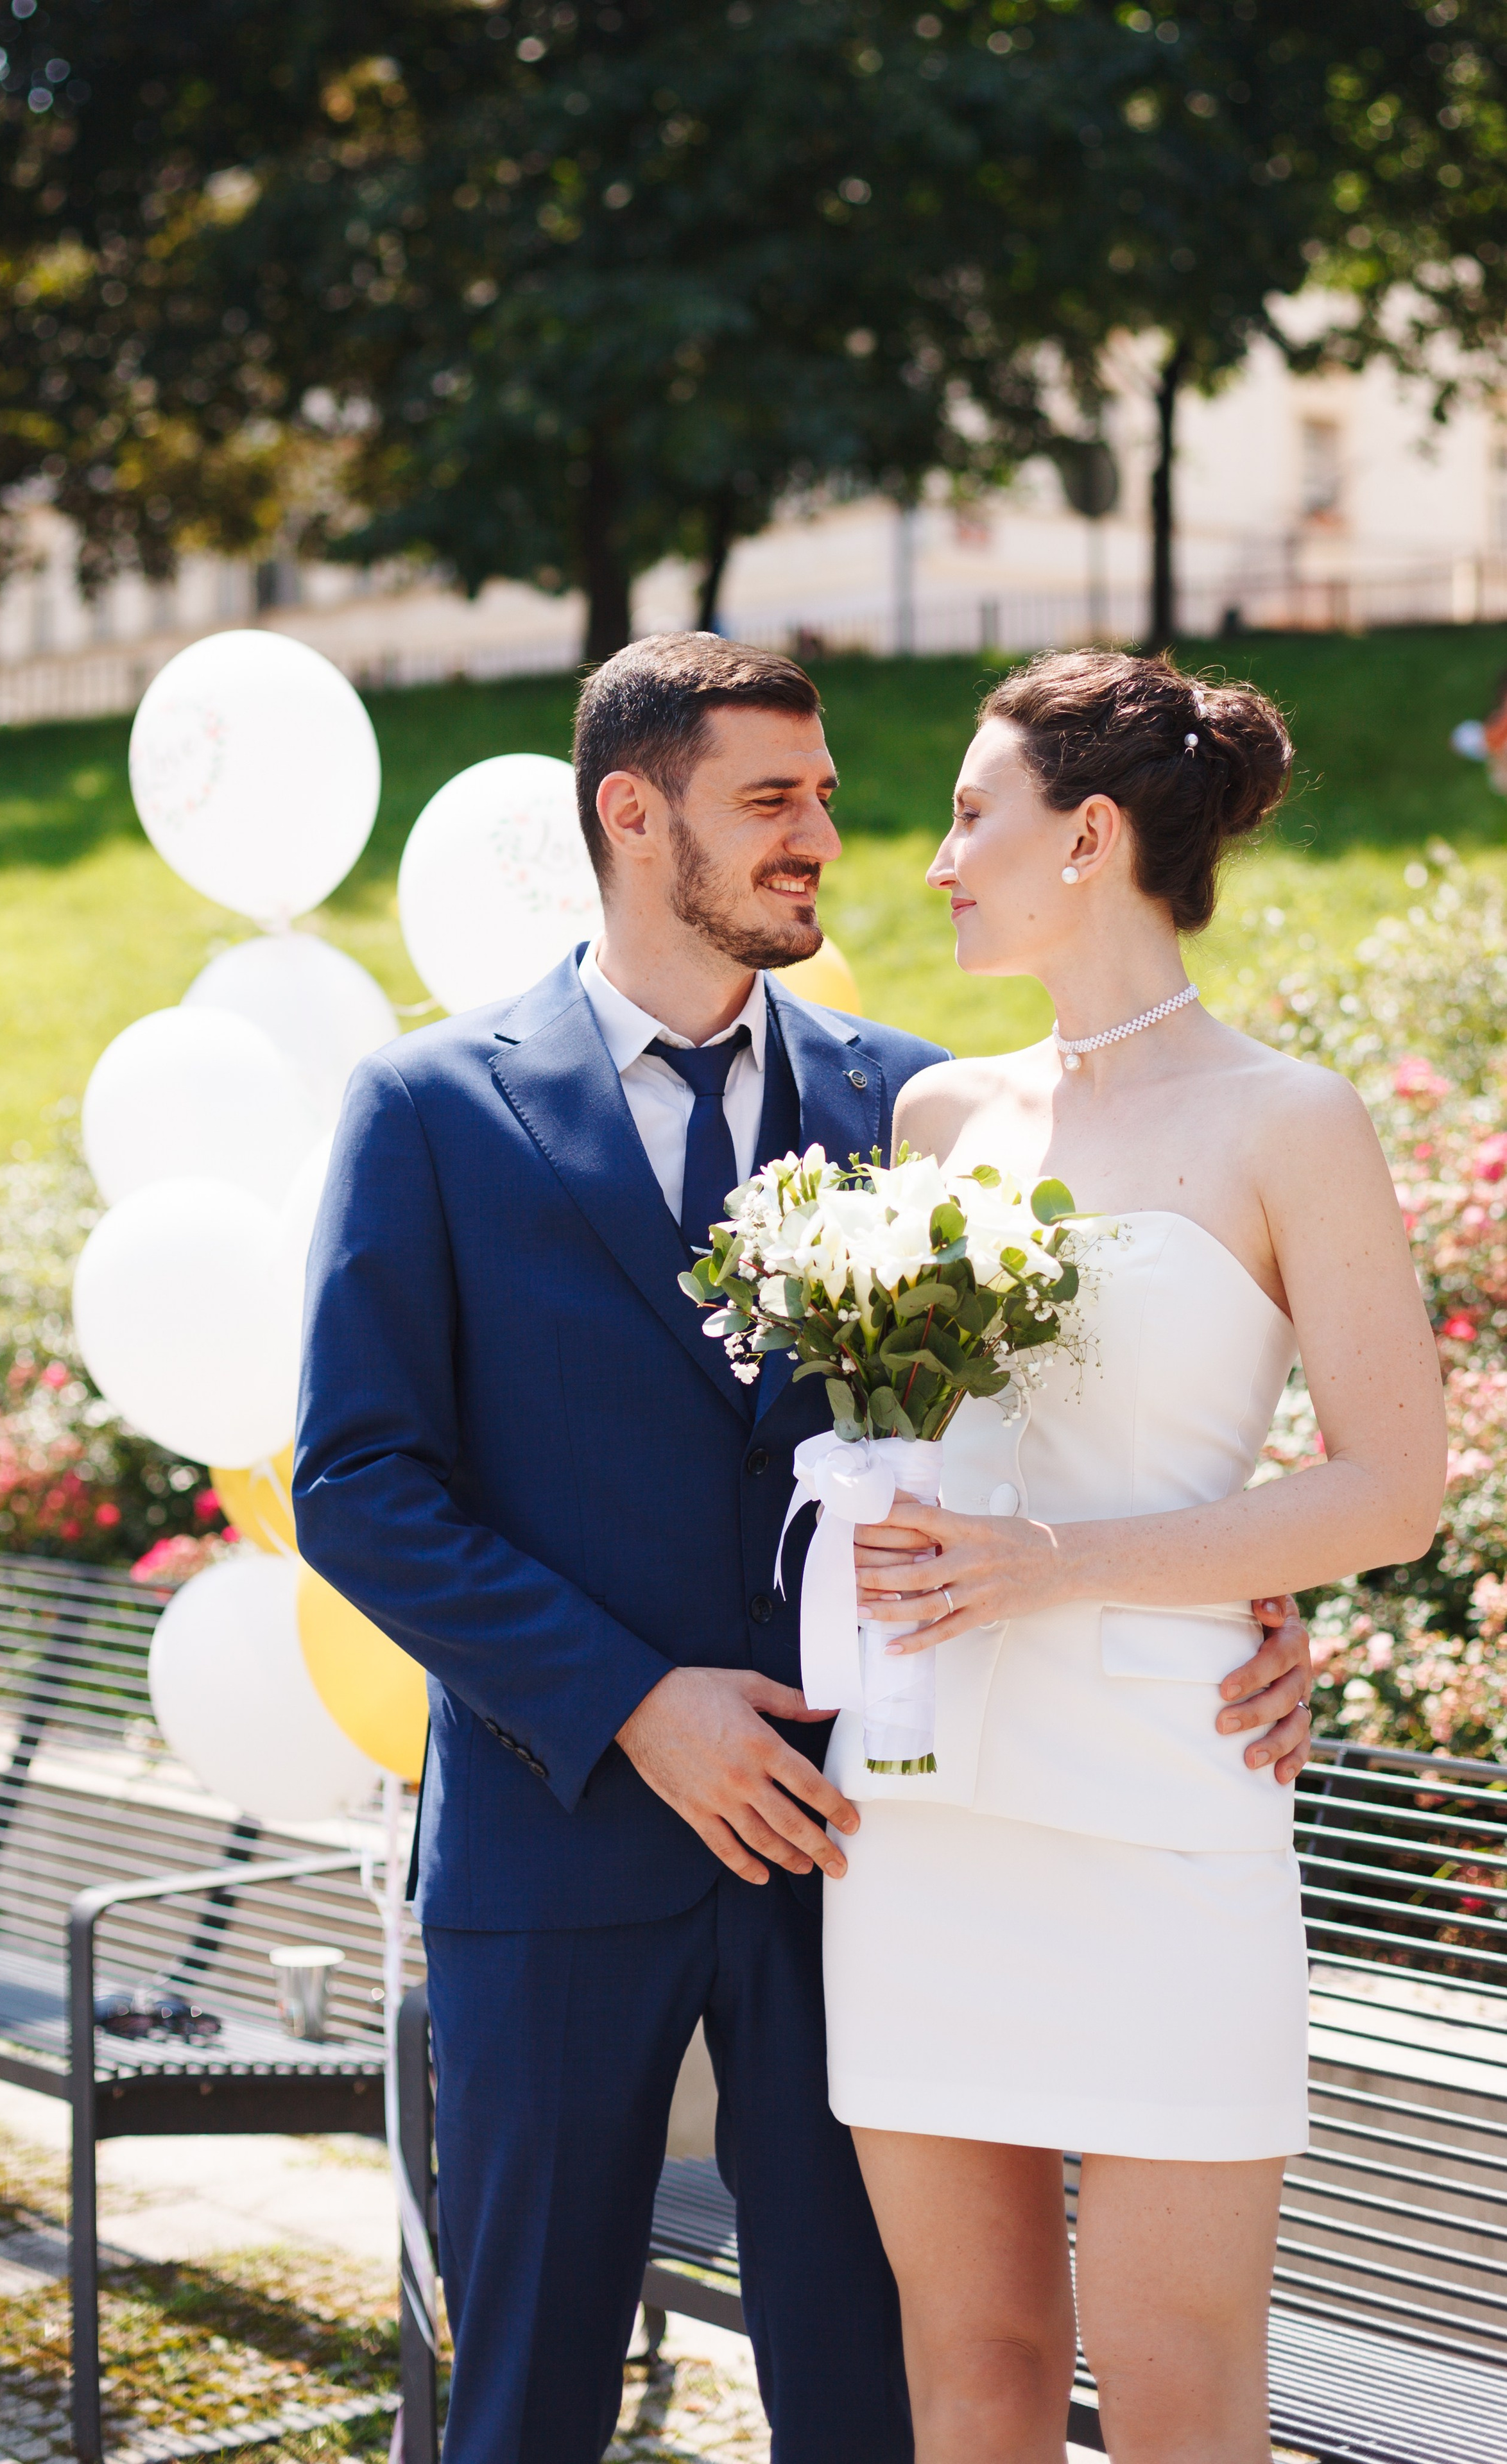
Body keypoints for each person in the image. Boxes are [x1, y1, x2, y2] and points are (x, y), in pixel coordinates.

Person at [293, 633, 1316, 2464]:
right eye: (773, 802)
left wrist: (1253, 1590)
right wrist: (632, 1706)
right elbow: (360, 1485)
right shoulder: (430, 1108)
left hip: (868, 1860)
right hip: (558, 1847)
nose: (822, 841)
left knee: (870, 2399)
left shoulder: (916, 1107)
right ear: (631, 810)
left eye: (828, 799)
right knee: (521, 2399)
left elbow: (1063, 1414)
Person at [828, 648, 1448, 2464]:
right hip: (923, 1815)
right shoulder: (932, 1121)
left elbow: (1390, 1491)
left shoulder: (1289, 1124)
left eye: (969, 815)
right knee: (976, 2375)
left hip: (1172, 1812)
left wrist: (1057, 1565)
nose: (937, 857)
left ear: (1087, 836)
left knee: (1178, 2392)